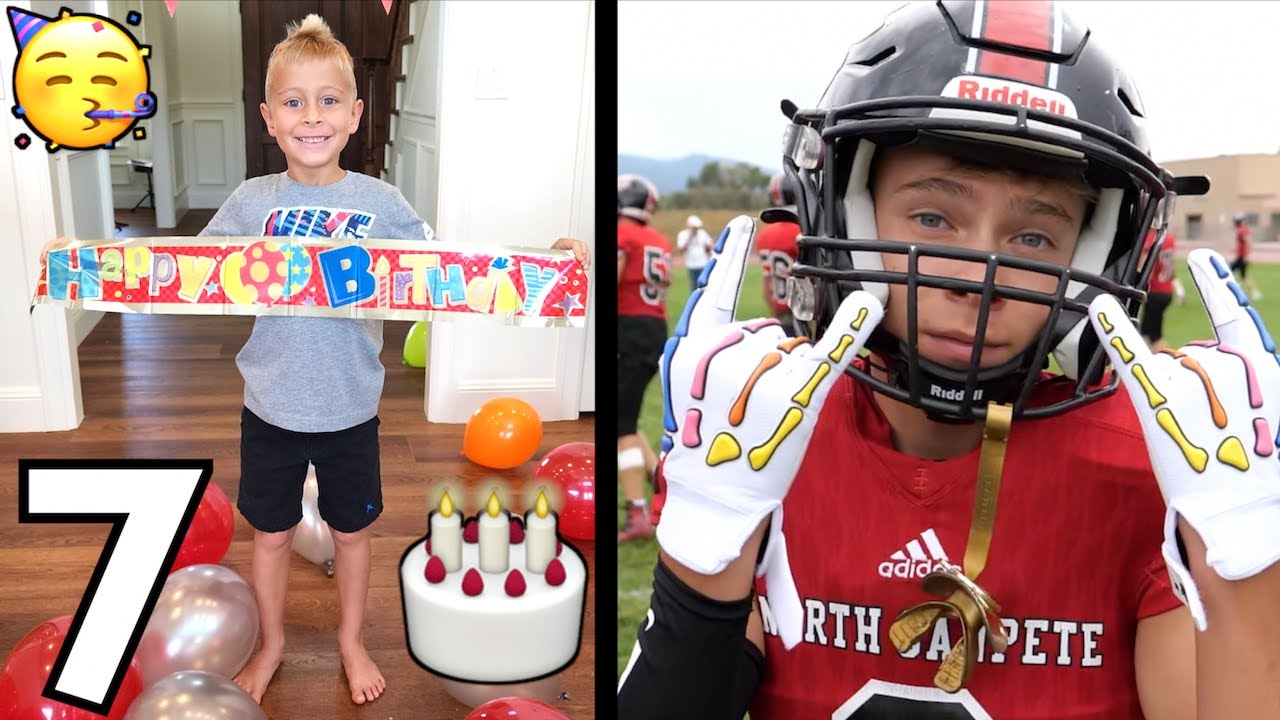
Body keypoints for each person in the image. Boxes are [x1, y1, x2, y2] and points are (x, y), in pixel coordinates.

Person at [617, 2, 1280, 718]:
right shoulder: (756, 446)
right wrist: (706, 556)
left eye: (1034, 238)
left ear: (1097, 253)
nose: (977, 278)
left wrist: (1242, 562)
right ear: (850, 210)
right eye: (933, 218)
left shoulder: (1149, 470)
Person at [41, 15, 590, 706]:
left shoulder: (380, 203)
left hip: (350, 408)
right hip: (268, 405)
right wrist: (80, 264)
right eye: (294, 102)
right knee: (269, 537)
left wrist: (548, 262)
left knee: (352, 536)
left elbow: (457, 269)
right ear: (270, 118)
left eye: (329, 100)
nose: (312, 116)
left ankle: (351, 641)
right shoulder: (251, 202)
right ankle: (270, 644)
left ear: (355, 115)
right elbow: (179, 270)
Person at [617, 174, 670, 543]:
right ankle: (660, 481)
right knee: (626, 415)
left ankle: (637, 512)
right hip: (653, 330)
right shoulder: (658, 239)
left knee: (620, 427)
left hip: (628, 331)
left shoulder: (625, 235)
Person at [756, 172, 803, 334]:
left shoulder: (765, 234)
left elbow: (766, 285)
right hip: (803, 311)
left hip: (780, 313)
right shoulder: (802, 230)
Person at [1138, 229, 1184, 352]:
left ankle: (1158, 361)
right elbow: (1169, 268)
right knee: (1152, 332)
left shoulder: (1149, 237)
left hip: (1154, 291)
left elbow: (1145, 267)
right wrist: (1179, 289)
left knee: (1149, 333)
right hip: (1166, 291)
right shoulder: (1168, 237)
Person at [676, 215, 714, 289]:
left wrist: (708, 247)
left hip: (702, 264)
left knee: (703, 286)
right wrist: (689, 237)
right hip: (691, 264)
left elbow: (709, 247)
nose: (695, 229)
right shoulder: (683, 234)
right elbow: (681, 249)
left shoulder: (702, 233)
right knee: (694, 287)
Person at [1230, 213, 1262, 300]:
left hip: (1242, 257)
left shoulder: (1241, 230)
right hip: (1241, 256)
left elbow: (1248, 242)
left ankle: (1238, 287)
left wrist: (1247, 256)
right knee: (1243, 276)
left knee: (1229, 272)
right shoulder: (1241, 229)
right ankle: (1255, 292)